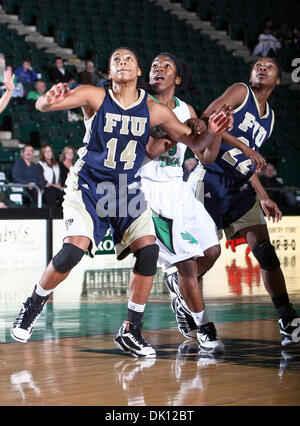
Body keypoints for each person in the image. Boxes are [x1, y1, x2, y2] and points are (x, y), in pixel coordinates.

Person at [10, 47, 232, 358]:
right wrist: (49, 97)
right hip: (87, 186)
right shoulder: (93, 95)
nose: (123, 62)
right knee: (72, 251)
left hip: (126, 189)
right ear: (109, 72)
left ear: (138, 72)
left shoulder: (155, 110)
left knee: (148, 251)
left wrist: (212, 131)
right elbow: (41, 104)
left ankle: (131, 330)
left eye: (129, 59)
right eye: (117, 60)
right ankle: (32, 305)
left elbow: (195, 143)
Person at [172, 57, 300, 348]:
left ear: (278, 80)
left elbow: (246, 161)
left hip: (240, 186)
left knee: (266, 251)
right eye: (258, 64)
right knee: (205, 256)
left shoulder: (271, 117)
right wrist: (244, 145)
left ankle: (287, 320)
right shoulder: (241, 92)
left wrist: (264, 195)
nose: (262, 67)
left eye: (270, 66)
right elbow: (204, 120)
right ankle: (184, 295)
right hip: (211, 178)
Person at [139, 53, 233, 353]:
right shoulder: (140, 105)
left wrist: (213, 133)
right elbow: (152, 150)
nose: (159, 69)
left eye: (166, 67)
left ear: (177, 78)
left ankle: (179, 293)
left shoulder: (185, 109)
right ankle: (204, 327)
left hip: (178, 188)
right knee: (187, 266)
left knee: (213, 250)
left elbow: (205, 156)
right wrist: (184, 131)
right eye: (154, 66)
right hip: (150, 192)